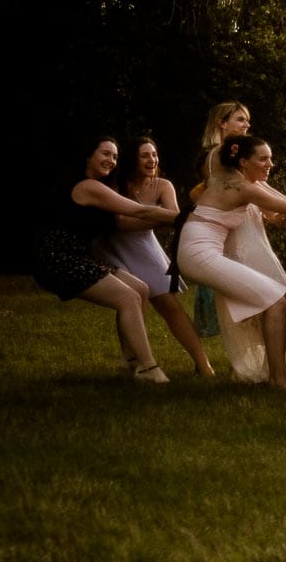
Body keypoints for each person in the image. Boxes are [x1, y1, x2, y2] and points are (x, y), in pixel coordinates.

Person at [178, 133, 286, 389]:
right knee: (276, 300)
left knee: (280, 297)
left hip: (196, 250)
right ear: (242, 162)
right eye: (263, 159)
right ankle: (279, 378)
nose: (270, 164)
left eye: (271, 158)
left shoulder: (230, 179)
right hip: (198, 254)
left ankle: (282, 373)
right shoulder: (244, 188)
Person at [35, 136, 182, 383]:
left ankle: (129, 361)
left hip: (79, 256)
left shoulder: (99, 186)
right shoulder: (89, 187)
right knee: (127, 297)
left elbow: (130, 221)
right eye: (105, 154)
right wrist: (185, 218)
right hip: (57, 259)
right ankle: (148, 368)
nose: (111, 161)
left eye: (114, 156)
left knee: (140, 288)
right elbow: (140, 210)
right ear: (88, 157)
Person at [99, 134, 215, 377]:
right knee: (128, 300)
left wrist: (143, 218)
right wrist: (154, 216)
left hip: (145, 248)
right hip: (114, 247)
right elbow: (118, 222)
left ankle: (203, 364)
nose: (152, 159)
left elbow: (173, 218)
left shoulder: (163, 185)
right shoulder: (116, 184)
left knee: (170, 306)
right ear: (132, 159)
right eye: (145, 155)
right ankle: (131, 361)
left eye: (154, 154)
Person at [188, 100, 252, 336]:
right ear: (221, 123)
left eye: (247, 120)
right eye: (240, 119)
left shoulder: (245, 153)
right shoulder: (215, 155)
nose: (247, 124)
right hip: (221, 223)